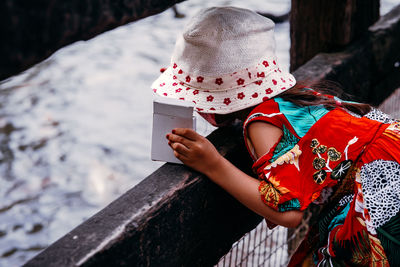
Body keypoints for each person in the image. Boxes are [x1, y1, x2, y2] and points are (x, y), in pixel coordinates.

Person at [151, 6, 400, 266]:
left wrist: (212, 164)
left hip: (379, 201)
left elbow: (287, 213)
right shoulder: (298, 100)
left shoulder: (261, 123)